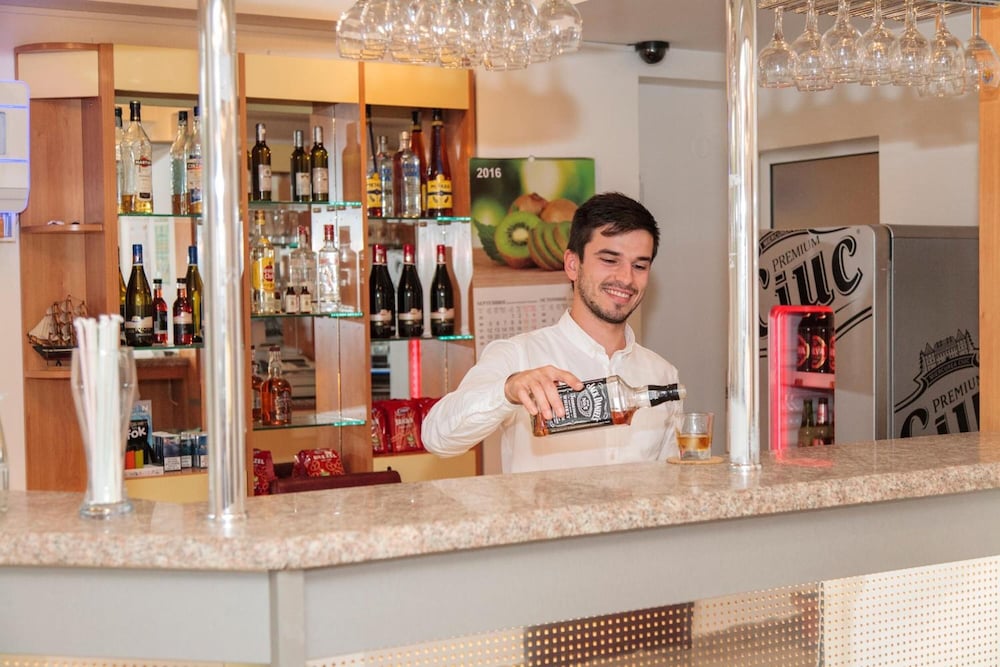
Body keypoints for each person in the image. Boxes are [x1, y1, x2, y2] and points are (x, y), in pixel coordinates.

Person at [422, 192, 683, 473]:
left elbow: (670, 480)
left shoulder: (662, 375)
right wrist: (508, 391)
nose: (626, 278)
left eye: (639, 266)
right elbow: (438, 438)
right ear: (572, 264)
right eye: (609, 260)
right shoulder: (519, 356)